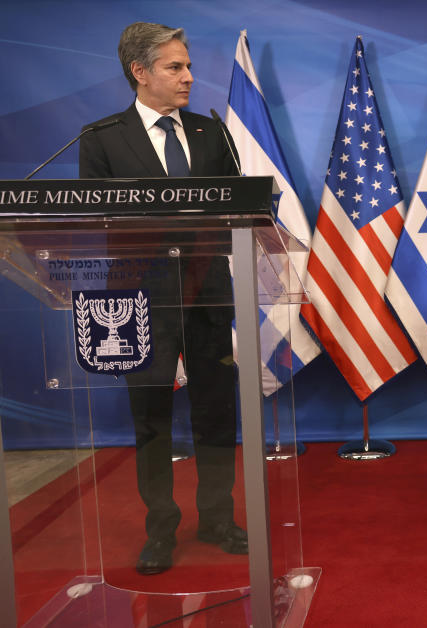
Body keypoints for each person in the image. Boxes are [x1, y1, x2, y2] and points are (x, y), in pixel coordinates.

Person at [79, 22, 246, 575]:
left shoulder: (210, 132)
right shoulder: (102, 137)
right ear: (140, 72)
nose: (189, 78)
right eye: (175, 68)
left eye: (188, 66)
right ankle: (160, 530)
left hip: (208, 291)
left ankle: (218, 518)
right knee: (151, 417)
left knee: (217, 412)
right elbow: (99, 224)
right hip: (137, 296)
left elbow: (238, 214)